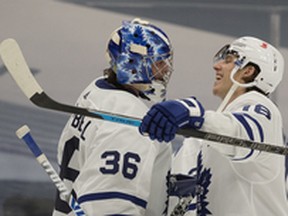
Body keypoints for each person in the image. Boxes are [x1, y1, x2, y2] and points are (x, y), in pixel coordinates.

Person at [140, 36, 288, 215]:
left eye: (228, 61)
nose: (216, 66)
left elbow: (241, 135)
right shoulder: (205, 139)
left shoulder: (263, 108)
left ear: (248, 71)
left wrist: (193, 114)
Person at [52, 18, 174, 216]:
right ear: (134, 64)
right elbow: (112, 205)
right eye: (159, 62)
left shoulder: (96, 91)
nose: (166, 69)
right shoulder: (130, 120)